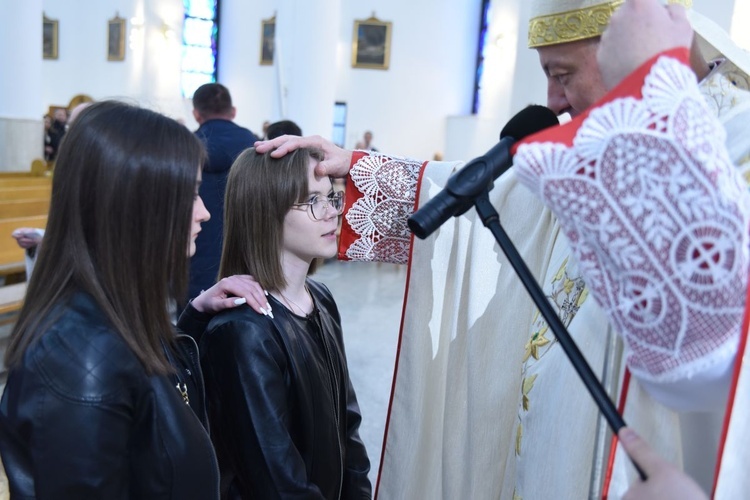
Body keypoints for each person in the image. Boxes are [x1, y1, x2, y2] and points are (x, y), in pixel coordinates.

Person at [256, 1, 750, 497]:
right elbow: (502, 199)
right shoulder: (603, 139)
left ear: (634, 56)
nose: (553, 100)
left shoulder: (736, 143)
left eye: (562, 73)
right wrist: (362, 172)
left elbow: (703, 333)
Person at [0, 101, 269, 498]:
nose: (206, 213)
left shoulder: (116, 309)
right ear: (137, 205)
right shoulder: (80, 360)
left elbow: (149, 415)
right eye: (191, 194)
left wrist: (192, 319)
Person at [199, 147, 372, 498]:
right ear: (266, 213)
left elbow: (347, 427)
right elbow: (277, 481)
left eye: (330, 197)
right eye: (312, 201)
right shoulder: (243, 331)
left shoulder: (320, 298)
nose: (331, 213)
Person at [189, 83, 258, 301]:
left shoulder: (186, 150)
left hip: (195, 257)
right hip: (246, 258)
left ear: (196, 114)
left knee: (193, 325)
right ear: (233, 112)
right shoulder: (257, 148)